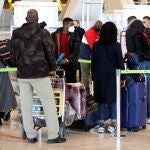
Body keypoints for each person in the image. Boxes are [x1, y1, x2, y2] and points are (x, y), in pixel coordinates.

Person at [10, 9, 66, 144]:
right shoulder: (43, 32)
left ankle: (30, 135)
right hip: (40, 73)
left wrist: (17, 65)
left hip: (23, 73)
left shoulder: (16, 33)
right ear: (37, 18)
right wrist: (52, 68)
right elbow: (50, 51)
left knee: (26, 104)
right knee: (48, 103)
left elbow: (13, 53)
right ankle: (53, 135)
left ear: (26, 18)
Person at [91, 22, 125, 133]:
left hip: (99, 76)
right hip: (112, 76)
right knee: (113, 100)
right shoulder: (116, 45)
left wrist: (93, 76)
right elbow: (120, 63)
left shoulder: (96, 45)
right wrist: (122, 77)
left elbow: (93, 62)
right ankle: (113, 124)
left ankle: (101, 125)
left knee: (100, 100)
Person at [51, 17, 80, 83]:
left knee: (71, 83)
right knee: (58, 84)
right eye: (72, 25)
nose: (74, 27)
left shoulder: (75, 35)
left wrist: (66, 59)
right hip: (58, 63)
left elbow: (76, 50)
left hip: (70, 63)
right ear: (66, 25)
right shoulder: (54, 35)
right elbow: (50, 50)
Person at [79, 20, 102, 98]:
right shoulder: (90, 33)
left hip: (89, 57)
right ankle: (85, 94)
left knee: (90, 75)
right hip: (85, 58)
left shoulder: (94, 32)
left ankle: (91, 93)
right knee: (85, 75)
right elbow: (94, 47)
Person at [0, 39, 17, 125]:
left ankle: (5, 110)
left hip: (2, 70)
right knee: (5, 89)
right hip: (2, 70)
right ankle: (5, 110)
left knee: (5, 89)